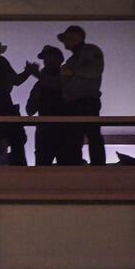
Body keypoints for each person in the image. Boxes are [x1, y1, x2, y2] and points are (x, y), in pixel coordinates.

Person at [58, 25, 105, 165]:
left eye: (67, 38)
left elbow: (96, 70)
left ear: (75, 38)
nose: (64, 42)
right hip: (73, 104)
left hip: (86, 102)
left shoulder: (90, 51)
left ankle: (98, 167)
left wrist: (72, 72)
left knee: (92, 135)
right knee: (74, 138)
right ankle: (76, 166)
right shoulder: (72, 60)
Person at [25, 45, 80, 165]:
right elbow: (29, 110)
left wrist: (37, 75)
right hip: (46, 135)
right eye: (45, 58)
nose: (46, 61)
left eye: (50, 57)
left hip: (66, 134)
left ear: (59, 59)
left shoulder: (68, 75)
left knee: (68, 174)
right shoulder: (39, 85)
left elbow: (58, 84)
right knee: (43, 175)